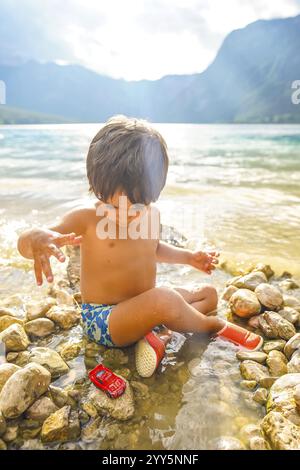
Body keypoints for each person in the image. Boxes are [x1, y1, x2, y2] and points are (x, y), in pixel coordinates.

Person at [18, 115, 263, 378]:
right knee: (166, 299)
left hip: (144, 305)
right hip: (105, 319)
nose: (128, 214)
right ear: (97, 188)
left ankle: (156, 332)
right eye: (114, 206)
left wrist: (190, 258)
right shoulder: (86, 218)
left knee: (207, 294)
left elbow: (153, 249)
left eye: (138, 205)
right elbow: (31, 243)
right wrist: (34, 238)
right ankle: (210, 325)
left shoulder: (152, 214)